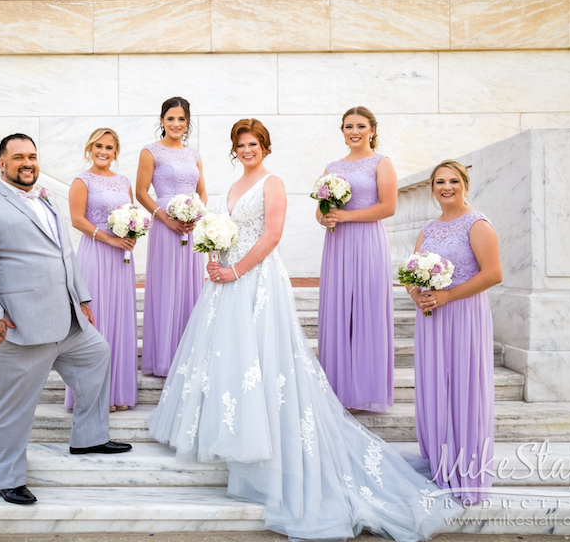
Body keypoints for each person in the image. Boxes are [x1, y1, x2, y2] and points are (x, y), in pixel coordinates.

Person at [148, 119, 461, 541]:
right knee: (234, 357)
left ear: (265, 147)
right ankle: (234, 430)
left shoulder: (272, 183)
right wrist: (214, 254)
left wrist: (236, 269)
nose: (247, 150)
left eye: (253, 144)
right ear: (234, 150)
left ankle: (264, 441)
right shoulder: (233, 184)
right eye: (240, 145)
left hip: (256, 280)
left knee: (262, 358)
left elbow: (272, 235)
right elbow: (229, 231)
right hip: (227, 279)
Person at [0, 133, 131, 506]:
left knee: (97, 355)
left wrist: (82, 297)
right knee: (12, 406)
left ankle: (89, 437)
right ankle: (6, 478)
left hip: (67, 320)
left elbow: (66, 253)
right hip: (20, 328)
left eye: (32, 156)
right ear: (1, 163)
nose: (27, 163)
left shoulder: (46, 199)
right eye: (18, 157)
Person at [408, 160, 501, 504]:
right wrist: (417, 295)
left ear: (464, 184)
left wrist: (446, 296)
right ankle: (439, 463)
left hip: (463, 315)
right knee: (435, 388)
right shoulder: (428, 229)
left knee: (463, 387)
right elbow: (412, 275)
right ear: (432, 189)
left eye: (453, 181)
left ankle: (466, 470)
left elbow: (493, 273)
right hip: (432, 319)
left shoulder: (477, 224)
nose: (446, 187)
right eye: (439, 182)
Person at [317, 106, 397, 413]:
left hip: (367, 242)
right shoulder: (332, 167)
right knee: (338, 309)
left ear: (372, 130)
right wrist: (325, 219)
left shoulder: (381, 163)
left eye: (360, 126)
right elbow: (320, 209)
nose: (354, 131)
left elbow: (388, 207)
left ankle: (366, 389)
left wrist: (347, 216)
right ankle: (338, 389)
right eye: (348, 126)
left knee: (366, 309)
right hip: (338, 244)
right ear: (342, 131)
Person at [64, 128, 138, 412]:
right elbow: (77, 219)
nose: (103, 152)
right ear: (89, 149)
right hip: (95, 253)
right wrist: (110, 238)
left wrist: (132, 235)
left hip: (121, 260)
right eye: (98, 146)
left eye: (109, 147)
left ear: (116, 152)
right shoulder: (82, 181)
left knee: (119, 319)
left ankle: (116, 393)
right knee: (98, 319)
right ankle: (93, 394)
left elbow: (131, 216)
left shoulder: (123, 182)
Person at [136, 97, 207, 377]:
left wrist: (195, 214)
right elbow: (142, 192)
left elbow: (202, 191)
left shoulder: (194, 154)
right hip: (165, 227)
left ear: (187, 122)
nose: (176, 124)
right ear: (162, 120)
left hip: (190, 227)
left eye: (181, 119)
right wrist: (167, 219)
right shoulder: (150, 152)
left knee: (190, 287)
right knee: (166, 287)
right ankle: (163, 357)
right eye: (170, 118)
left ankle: (188, 354)